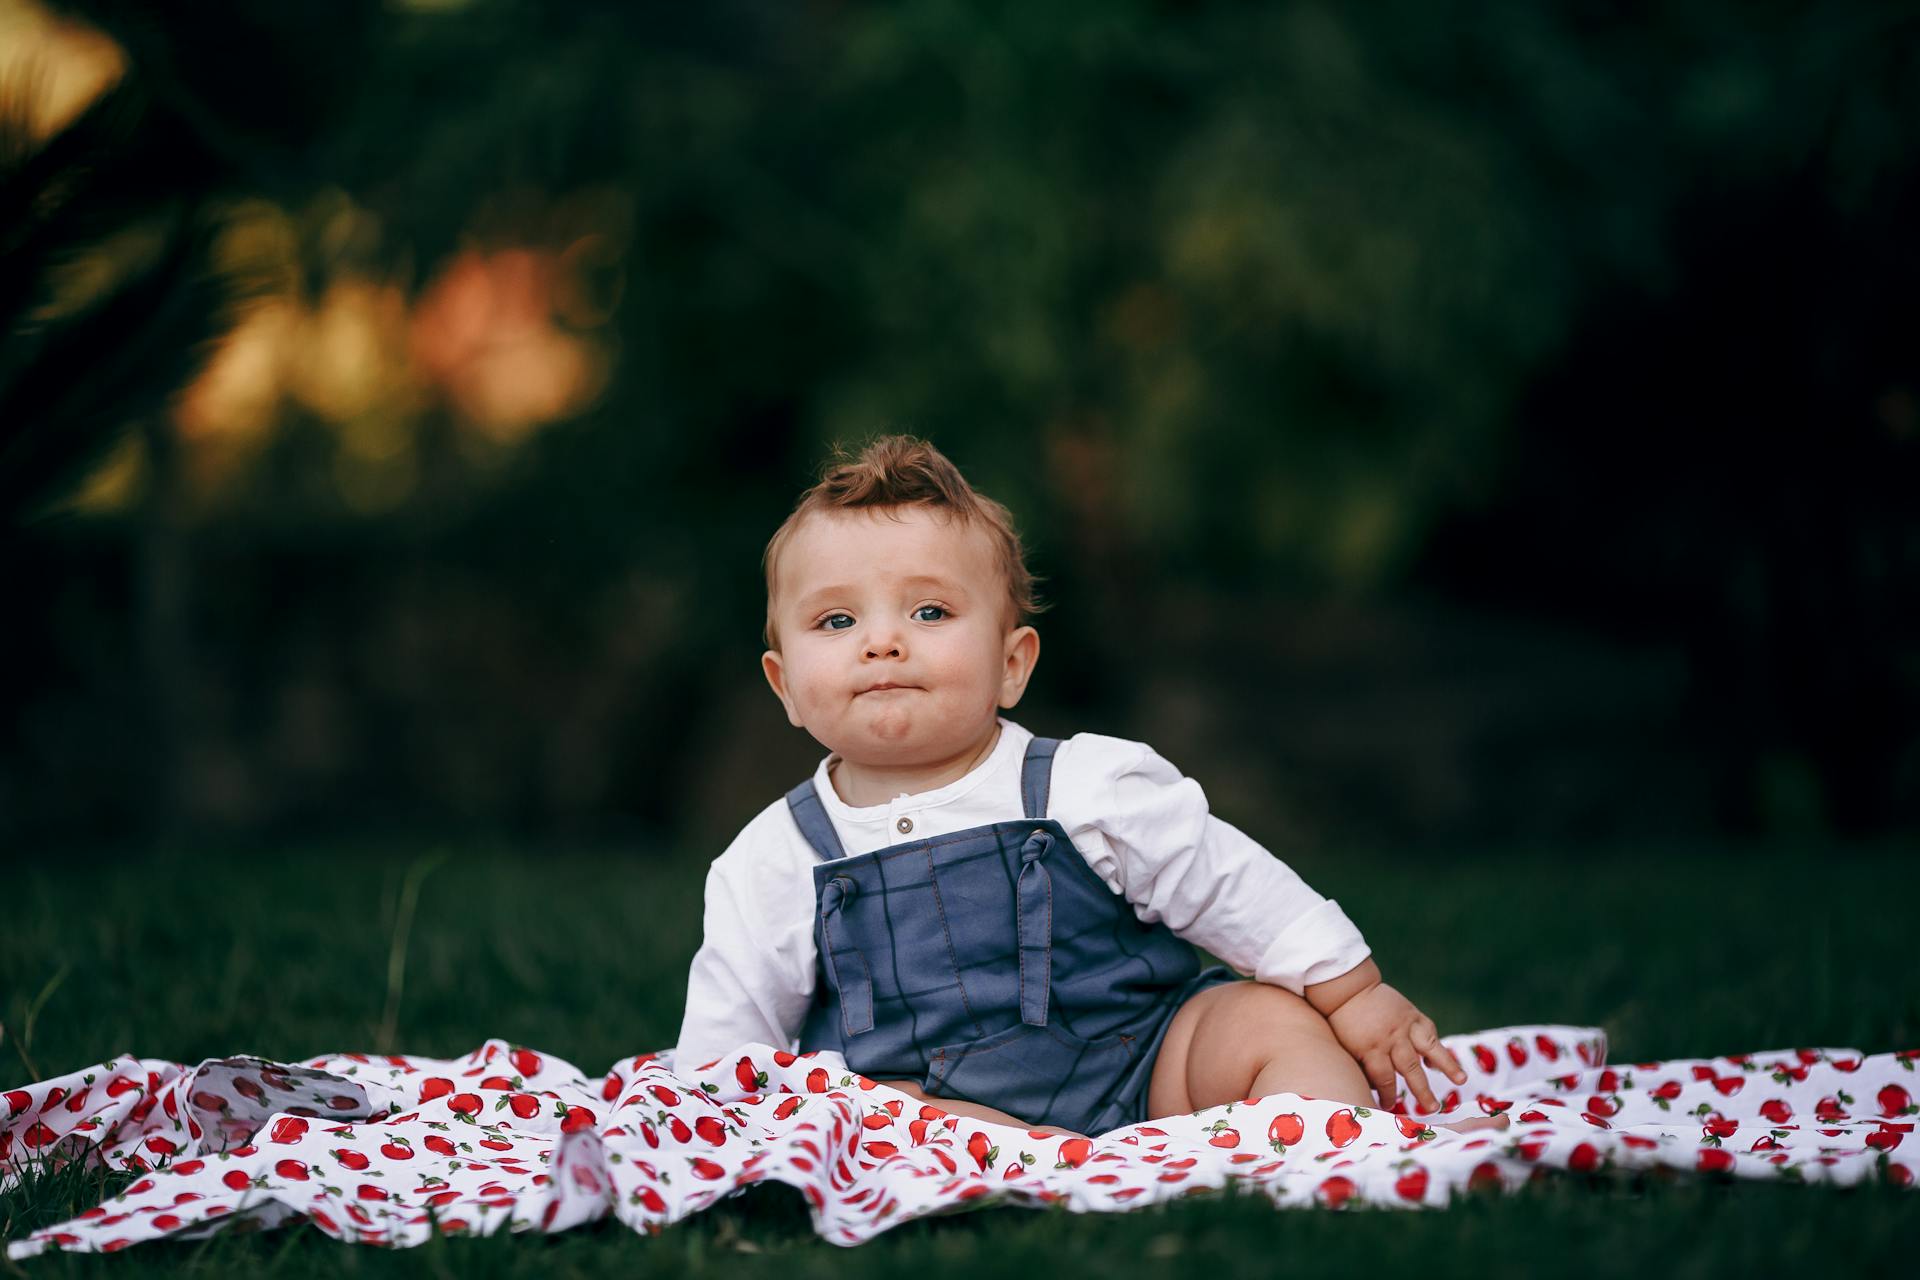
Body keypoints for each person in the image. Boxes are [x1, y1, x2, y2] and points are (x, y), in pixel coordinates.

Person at [675, 436, 1468, 1138]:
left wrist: (1352, 993)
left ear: (1012, 663)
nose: (883, 642)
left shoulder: (1087, 785)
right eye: (837, 622)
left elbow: (1230, 884)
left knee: (1269, 1020)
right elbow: (728, 1044)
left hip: (1148, 1064)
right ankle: (1025, 1159)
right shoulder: (774, 861)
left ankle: (1323, 1153)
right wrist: (713, 1116)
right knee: (858, 1108)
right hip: (933, 1112)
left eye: (928, 610)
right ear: (784, 686)